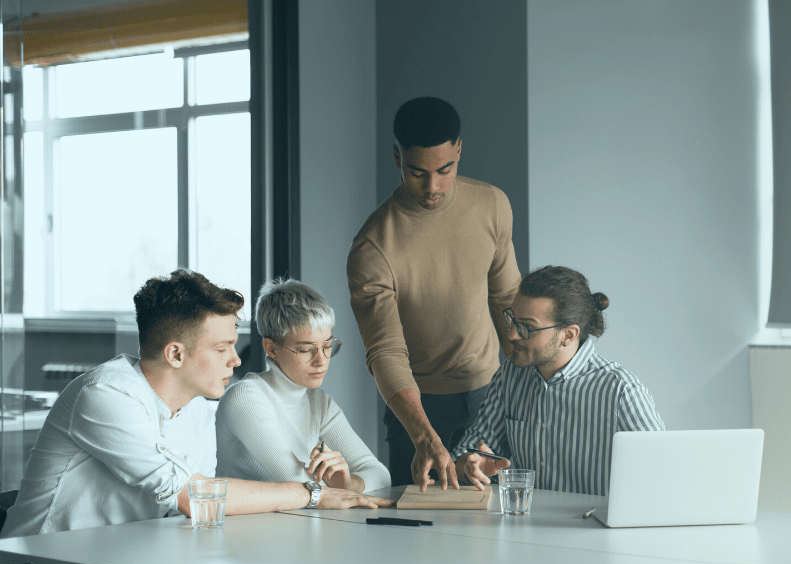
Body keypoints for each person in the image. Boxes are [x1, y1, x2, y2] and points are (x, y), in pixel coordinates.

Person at [0, 270, 391, 564]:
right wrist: (314, 493)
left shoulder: (200, 413)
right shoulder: (104, 394)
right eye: (222, 348)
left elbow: (200, 520)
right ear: (175, 354)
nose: (236, 360)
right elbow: (192, 495)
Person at [347, 96, 520, 492]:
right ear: (396, 156)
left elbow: (508, 299)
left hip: (491, 395)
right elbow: (385, 351)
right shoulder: (372, 247)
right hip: (419, 408)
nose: (433, 187)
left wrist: (522, 385)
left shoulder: (492, 205)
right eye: (417, 173)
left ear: (459, 150)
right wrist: (424, 436)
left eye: (445, 170)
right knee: (420, 541)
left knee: (501, 528)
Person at [451, 266, 665, 496]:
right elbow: (467, 452)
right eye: (512, 319)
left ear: (568, 335)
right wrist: (469, 466)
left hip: (592, 528)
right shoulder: (509, 376)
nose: (512, 334)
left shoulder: (621, 391)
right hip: (523, 526)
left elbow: (665, 474)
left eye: (527, 327)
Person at [216, 279, 390, 492]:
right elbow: (301, 485)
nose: (322, 360)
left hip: (299, 522)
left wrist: (348, 483)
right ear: (271, 349)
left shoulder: (319, 403)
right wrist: (338, 489)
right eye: (306, 350)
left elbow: (380, 474)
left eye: (327, 346)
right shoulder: (246, 397)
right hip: (247, 525)